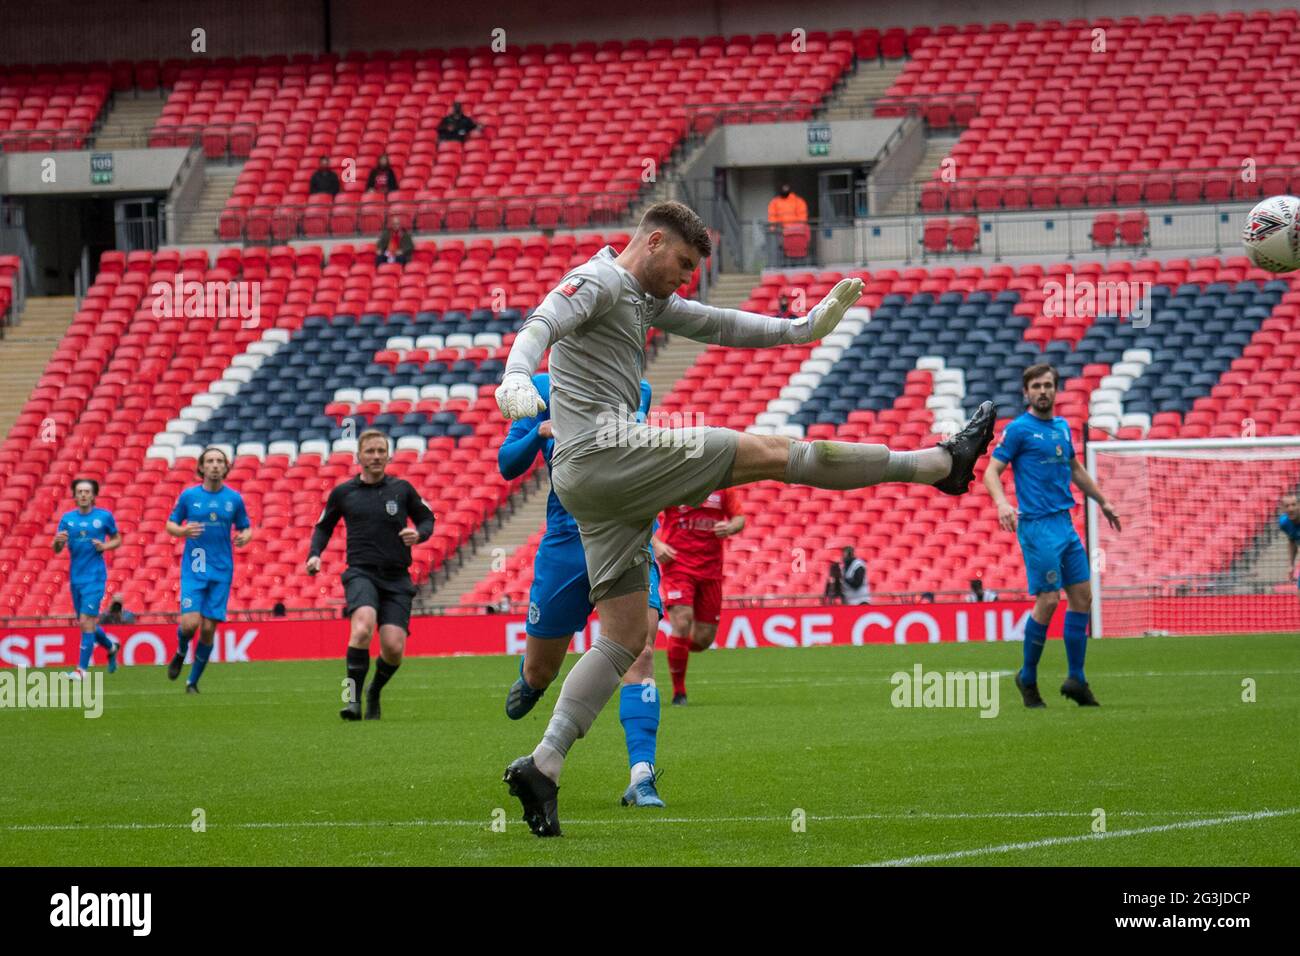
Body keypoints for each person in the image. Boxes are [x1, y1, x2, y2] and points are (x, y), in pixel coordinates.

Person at [494, 199, 996, 836]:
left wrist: (802, 330)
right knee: (772, 451)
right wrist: (515, 374)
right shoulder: (600, 279)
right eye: (680, 263)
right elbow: (541, 321)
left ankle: (544, 765)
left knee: (623, 636)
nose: (684, 279)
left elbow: (722, 323)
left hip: (593, 486)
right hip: (604, 452)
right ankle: (940, 464)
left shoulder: (643, 298)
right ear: (650, 244)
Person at [499, 373, 667, 808]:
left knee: (640, 650)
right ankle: (532, 681)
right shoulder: (538, 390)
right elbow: (507, 464)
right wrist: (540, 430)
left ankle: (641, 775)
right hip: (566, 543)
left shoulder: (634, 387)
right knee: (541, 671)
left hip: (625, 535)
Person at [984, 363, 1121, 709]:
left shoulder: (1061, 428)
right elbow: (991, 471)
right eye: (1036, 386)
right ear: (1026, 392)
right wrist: (1002, 503)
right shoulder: (1018, 431)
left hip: (1065, 523)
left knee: (1082, 597)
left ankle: (1076, 678)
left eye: (1048, 385)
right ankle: (1027, 676)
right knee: (1048, 600)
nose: (1043, 391)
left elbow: (1074, 469)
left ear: (1056, 390)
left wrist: (1103, 501)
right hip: (1037, 526)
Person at [307, 430, 435, 721]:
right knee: (362, 627)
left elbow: (427, 518)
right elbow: (324, 526)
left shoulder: (402, 490)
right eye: (370, 451)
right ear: (359, 457)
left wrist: (419, 534)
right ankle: (351, 700)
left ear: (388, 455)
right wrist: (314, 554)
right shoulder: (343, 493)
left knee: (393, 647)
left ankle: (373, 690)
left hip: (397, 577)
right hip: (361, 572)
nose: (376, 456)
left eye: (381, 451)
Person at [165, 447, 253, 693]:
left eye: (219, 461)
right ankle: (182, 650)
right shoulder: (189, 496)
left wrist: (245, 536)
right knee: (190, 624)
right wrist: (181, 531)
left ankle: (192, 682)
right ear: (201, 468)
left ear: (226, 468)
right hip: (196, 565)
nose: (215, 465)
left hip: (222, 569)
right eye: (210, 461)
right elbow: (170, 524)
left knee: (207, 629)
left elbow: (246, 527)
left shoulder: (234, 499)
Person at [653, 486, 743, 706]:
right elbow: (644, 515)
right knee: (682, 621)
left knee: (703, 640)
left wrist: (730, 527)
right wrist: (656, 544)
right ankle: (679, 693)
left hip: (711, 570)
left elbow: (740, 518)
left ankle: (677, 647)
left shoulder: (723, 488)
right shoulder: (676, 482)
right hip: (678, 565)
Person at [53, 479, 122, 676]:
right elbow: (57, 549)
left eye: (87, 491)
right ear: (74, 495)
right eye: (80, 491)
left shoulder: (104, 517)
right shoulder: (67, 520)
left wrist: (105, 546)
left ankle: (81, 670)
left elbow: (117, 539)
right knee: (87, 623)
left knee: (85, 621)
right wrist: (57, 542)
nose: (83, 495)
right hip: (76, 577)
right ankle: (111, 647)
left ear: (93, 495)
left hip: (95, 577)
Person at [1280, 494, 1300, 589]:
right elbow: (1292, 540)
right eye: (1287, 506)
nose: (1291, 509)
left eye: (1293, 504)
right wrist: (1291, 564)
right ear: (1283, 509)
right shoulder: (1284, 523)